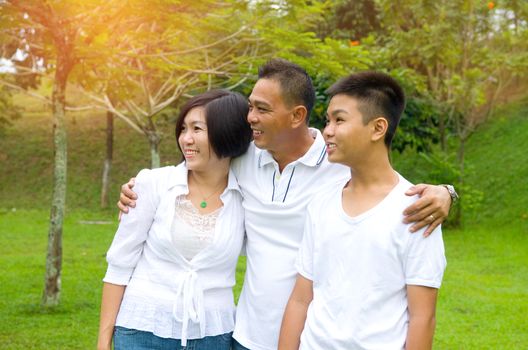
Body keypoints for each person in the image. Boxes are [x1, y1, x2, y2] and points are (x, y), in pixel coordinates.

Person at [118, 59, 455, 350]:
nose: (250, 117)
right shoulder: (243, 157)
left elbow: (384, 181)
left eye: (261, 109)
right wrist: (141, 187)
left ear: (297, 116)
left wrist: (445, 192)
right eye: (251, 106)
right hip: (245, 334)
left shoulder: (337, 164)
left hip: (308, 336)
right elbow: (193, 166)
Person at [278, 72, 446, 349]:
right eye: (328, 120)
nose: (327, 130)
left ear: (378, 128)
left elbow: (422, 317)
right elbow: (300, 299)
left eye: (339, 120)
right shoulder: (321, 202)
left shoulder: (417, 210)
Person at [97, 89, 252, 350]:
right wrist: (103, 342)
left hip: (213, 335)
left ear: (227, 132)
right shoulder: (153, 183)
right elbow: (119, 264)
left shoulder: (247, 197)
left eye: (197, 129)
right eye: (183, 129)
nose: (186, 139)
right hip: (142, 330)